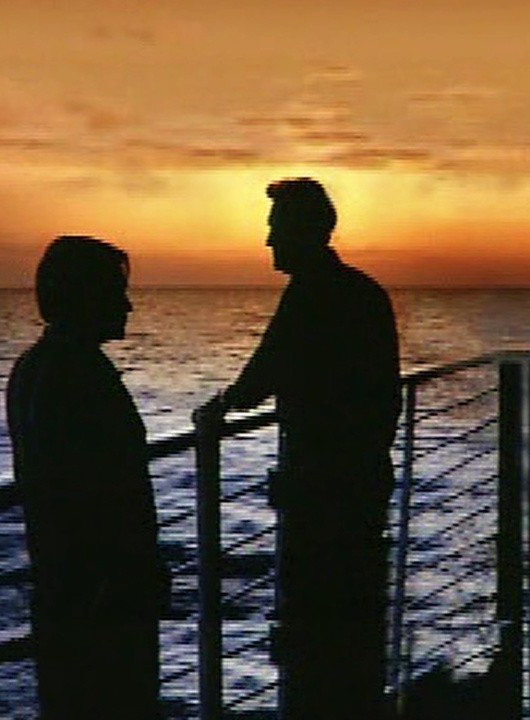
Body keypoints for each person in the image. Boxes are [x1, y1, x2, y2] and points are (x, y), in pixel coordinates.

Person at [210, 177, 401, 718]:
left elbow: (261, 376)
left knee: (314, 630)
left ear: (304, 231)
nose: (268, 240)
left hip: (321, 495)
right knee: (355, 626)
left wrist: (220, 408)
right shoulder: (364, 292)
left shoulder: (310, 295)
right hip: (361, 485)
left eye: (276, 227)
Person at [6, 235, 169, 719]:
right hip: (103, 599)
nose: (127, 305)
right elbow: (97, 491)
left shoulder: (33, 368)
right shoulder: (80, 375)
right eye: (116, 292)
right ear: (86, 296)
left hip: (63, 591)